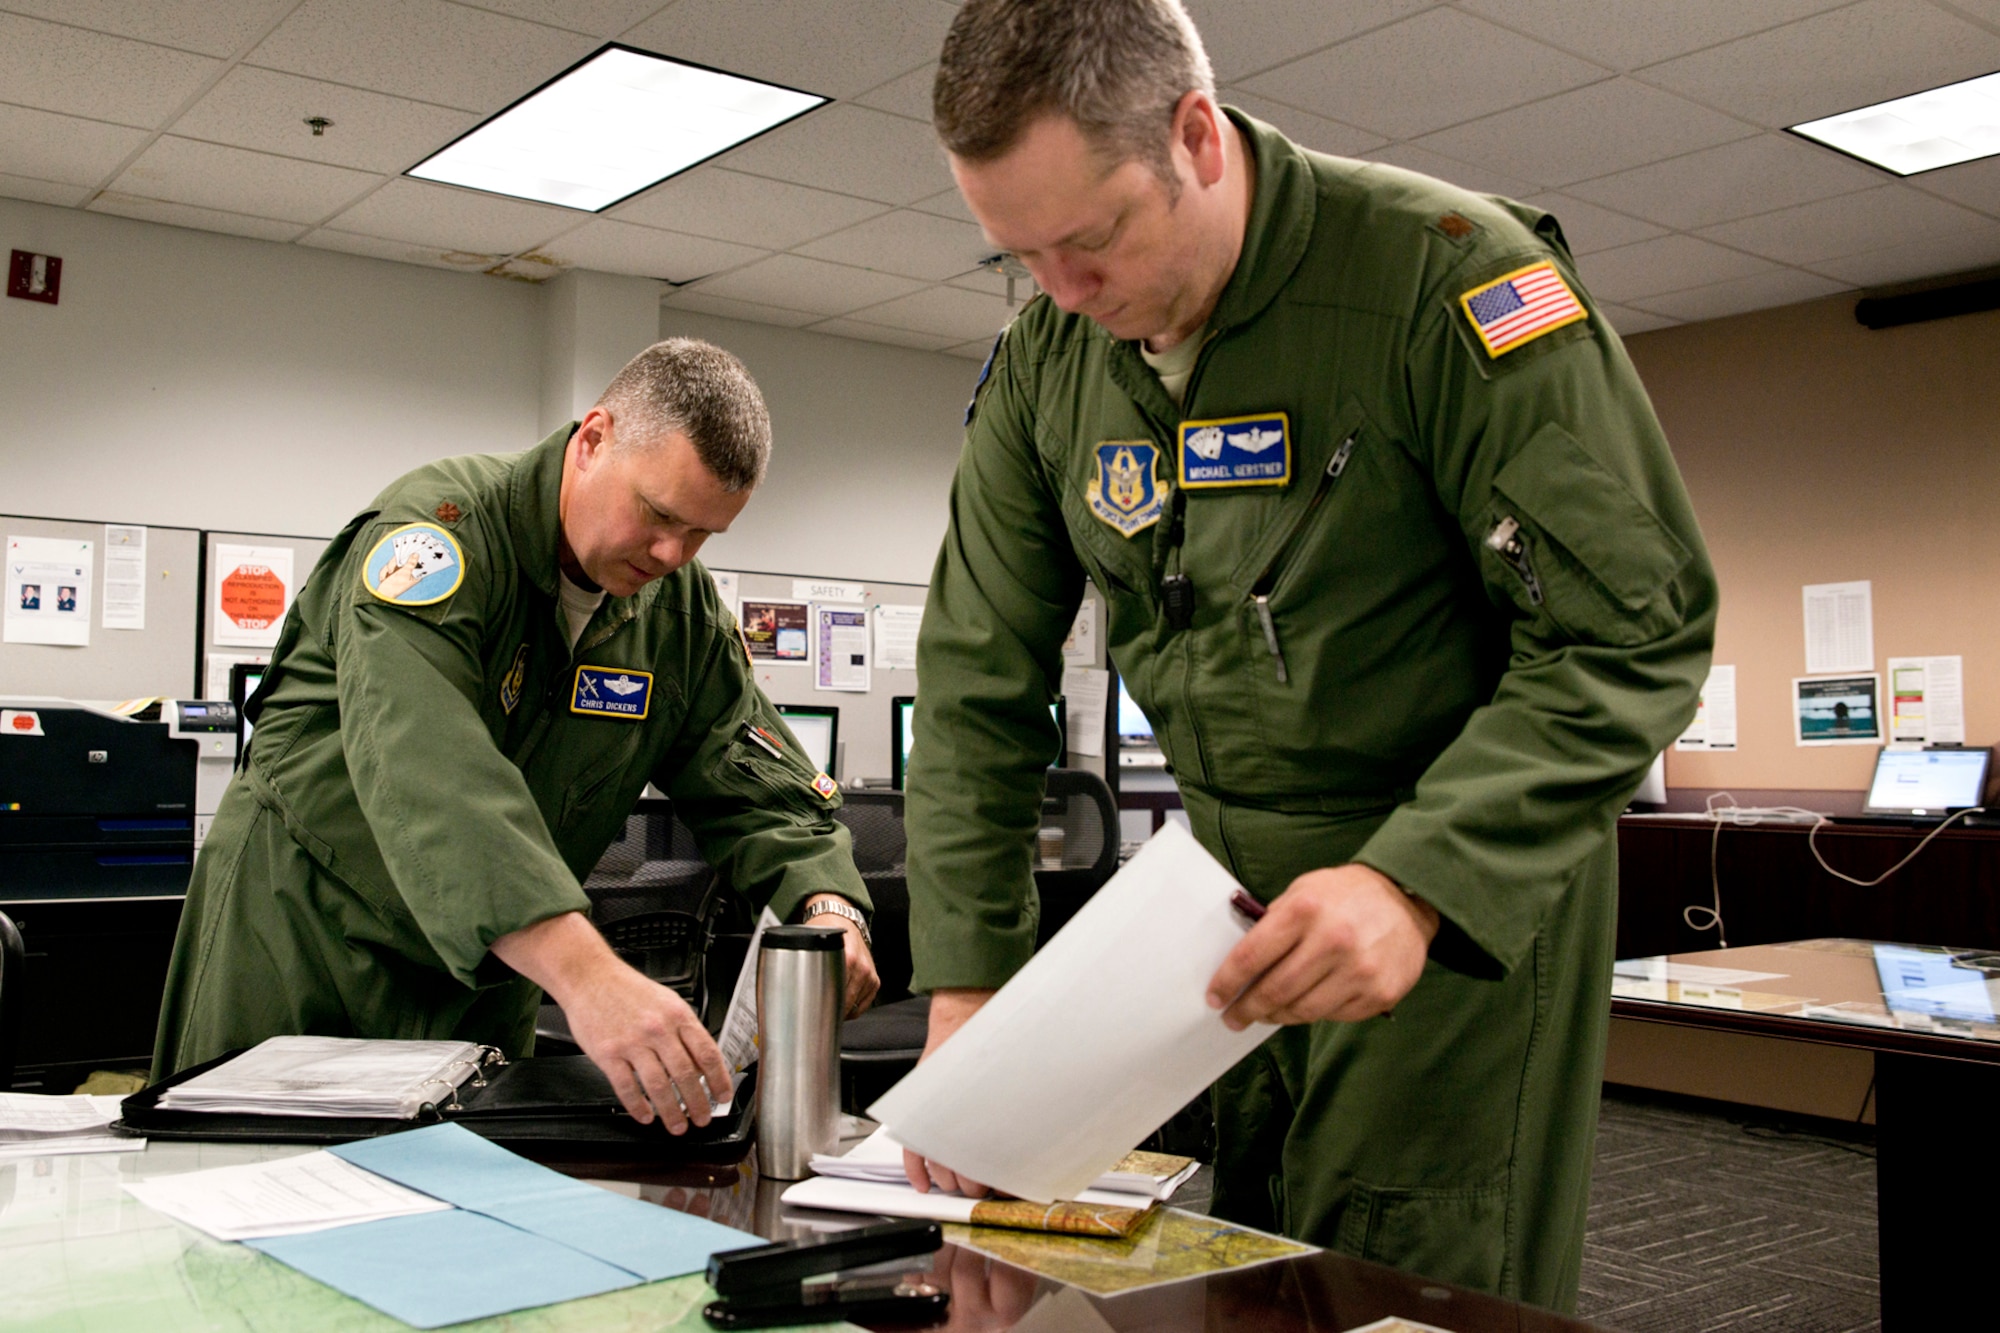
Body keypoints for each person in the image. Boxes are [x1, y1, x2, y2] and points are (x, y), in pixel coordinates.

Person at [899, 0, 1716, 1310]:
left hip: (1453, 896)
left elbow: (1632, 630)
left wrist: (1416, 882)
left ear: (1197, 138)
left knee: (1410, 1277)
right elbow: (974, 682)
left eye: (1092, 237)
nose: (1064, 293)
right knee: (1256, 1273)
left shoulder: (1446, 280)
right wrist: (970, 986)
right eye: (1018, 256)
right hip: (1215, 907)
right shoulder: (1052, 355)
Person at [154, 339, 879, 1133]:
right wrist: (588, 975)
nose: (674, 555)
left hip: (487, 970)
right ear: (593, 438)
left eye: (705, 534)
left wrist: (828, 903)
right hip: (310, 939)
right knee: (251, 1211)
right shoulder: (437, 539)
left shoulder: (679, 618)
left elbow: (755, 780)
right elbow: (428, 766)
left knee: (456, 1223)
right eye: (661, 515)